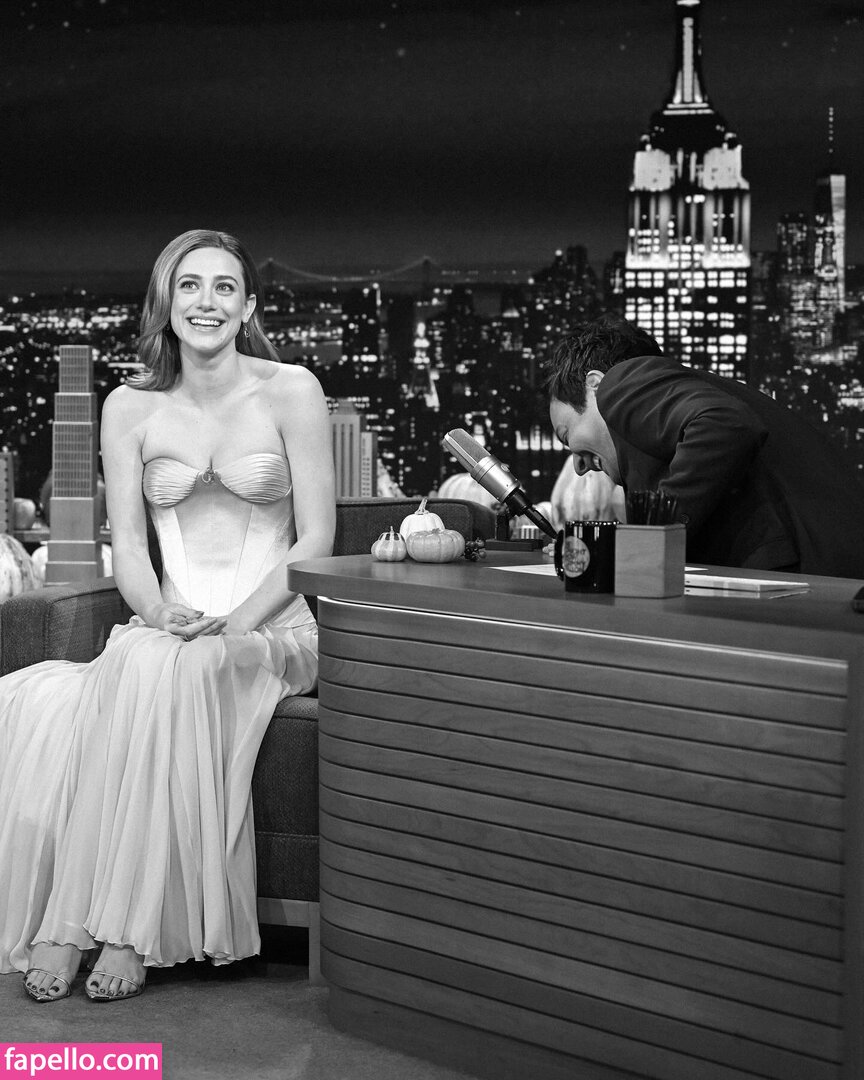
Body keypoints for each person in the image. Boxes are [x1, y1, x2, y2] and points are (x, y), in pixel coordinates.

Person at [0, 229, 335, 1003]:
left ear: (247, 307)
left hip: (275, 628)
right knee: (148, 657)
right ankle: (83, 924)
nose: (206, 302)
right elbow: (131, 550)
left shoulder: (292, 390)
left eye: (224, 287)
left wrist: (238, 623)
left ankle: (118, 932)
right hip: (171, 625)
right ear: (166, 302)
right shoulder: (129, 407)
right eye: (190, 285)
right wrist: (159, 611)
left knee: (168, 665)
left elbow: (315, 540)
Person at [544, 316, 864, 577]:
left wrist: (652, 535)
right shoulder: (676, 416)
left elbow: (726, 422)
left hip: (801, 577)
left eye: (566, 435)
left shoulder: (619, 384)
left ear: (595, 384)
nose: (578, 466)